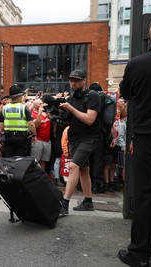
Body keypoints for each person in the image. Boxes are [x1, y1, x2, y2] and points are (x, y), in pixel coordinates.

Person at [117, 23, 151, 267]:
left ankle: (140, 253)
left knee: (145, 195)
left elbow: (125, 92)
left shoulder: (138, 64)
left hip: (148, 136)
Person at [58, 69, 102, 217]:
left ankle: (64, 203)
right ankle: (88, 202)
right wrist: (56, 111)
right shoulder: (71, 98)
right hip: (75, 138)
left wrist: (70, 108)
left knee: (73, 166)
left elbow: (90, 120)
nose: (73, 83)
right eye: (71, 80)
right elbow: (68, 120)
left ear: (84, 81)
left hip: (90, 138)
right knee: (83, 169)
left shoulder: (93, 96)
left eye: (76, 80)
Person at [0, 85, 36, 157]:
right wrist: (34, 134)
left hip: (8, 137)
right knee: (21, 161)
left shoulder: (5, 108)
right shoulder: (24, 107)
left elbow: (0, 125)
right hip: (21, 138)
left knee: (9, 160)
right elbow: (31, 124)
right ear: (19, 96)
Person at [31, 98, 51, 171]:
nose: (42, 105)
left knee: (43, 161)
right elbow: (37, 125)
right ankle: (36, 176)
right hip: (38, 141)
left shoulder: (46, 113)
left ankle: (42, 176)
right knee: (36, 161)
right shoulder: (33, 114)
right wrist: (39, 114)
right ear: (36, 106)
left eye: (42, 103)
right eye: (40, 104)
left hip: (47, 141)